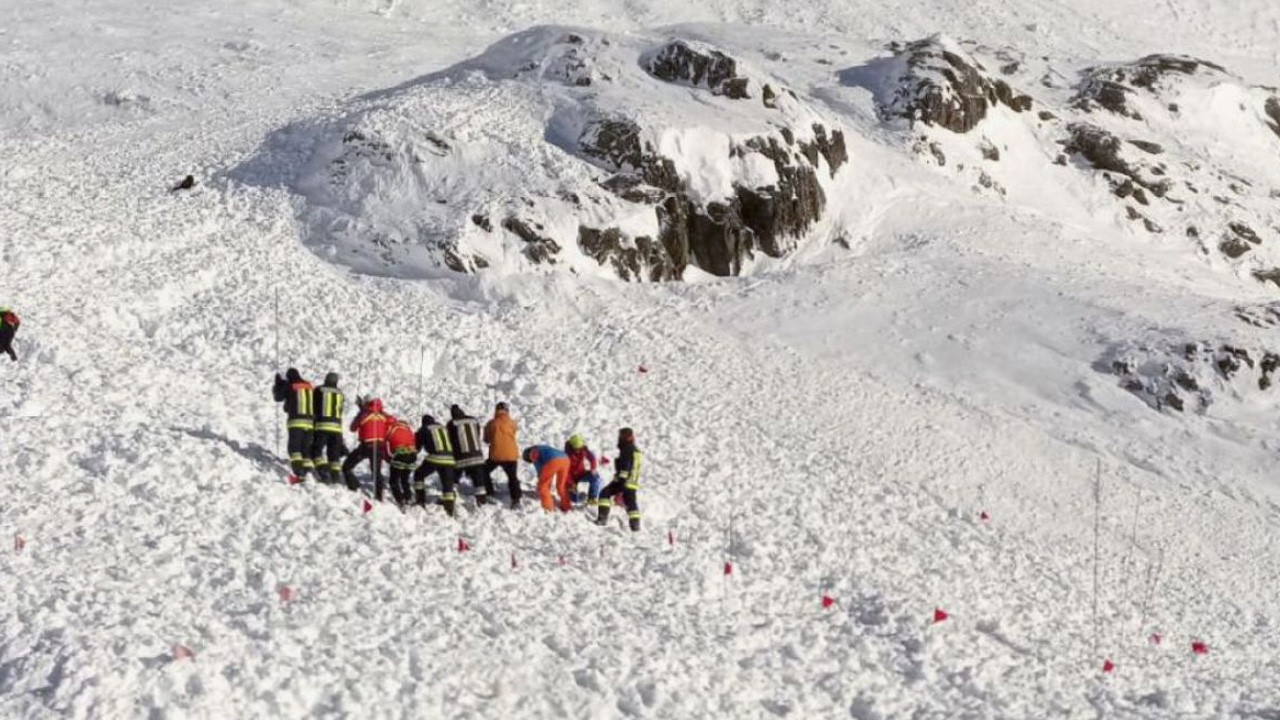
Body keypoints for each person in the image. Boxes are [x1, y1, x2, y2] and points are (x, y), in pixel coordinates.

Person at [595, 428, 643, 531]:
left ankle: (602, 519)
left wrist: (621, 480)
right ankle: (635, 526)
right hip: (633, 482)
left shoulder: (627, 449)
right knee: (631, 503)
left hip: (624, 480)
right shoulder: (636, 451)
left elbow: (626, 466)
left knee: (605, 493)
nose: (619, 438)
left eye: (620, 435)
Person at [272, 368, 315, 481]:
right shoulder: (309, 386)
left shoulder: (291, 385)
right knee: (305, 450)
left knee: (294, 449)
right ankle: (309, 473)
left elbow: (278, 397)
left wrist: (278, 384)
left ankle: (298, 473)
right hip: (310, 423)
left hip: (296, 422)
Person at [342, 397, 390, 497]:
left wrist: (360, 412)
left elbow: (352, 428)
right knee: (376, 473)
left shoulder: (363, 415)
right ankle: (379, 497)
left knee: (346, 467)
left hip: (366, 447)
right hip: (379, 447)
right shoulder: (383, 415)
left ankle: (354, 487)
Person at [448, 404, 494, 506]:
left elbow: (450, 439)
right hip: (477, 455)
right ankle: (481, 499)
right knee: (478, 477)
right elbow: (477, 433)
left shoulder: (452, 423)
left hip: (461, 456)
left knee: (454, 475)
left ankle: (452, 493)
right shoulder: (473, 420)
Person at [414, 414, 459, 516]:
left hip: (435, 457)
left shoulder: (424, 429)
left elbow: (417, 447)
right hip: (450, 458)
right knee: (447, 482)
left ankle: (420, 499)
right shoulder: (442, 428)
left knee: (419, 474)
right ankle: (449, 507)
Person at [310, 372, 347, 484]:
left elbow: (314, 407)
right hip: (336, 428)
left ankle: (323, 470)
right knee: (334, 454)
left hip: (322, 426)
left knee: (316, 451)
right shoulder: (340, 394)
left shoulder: (319, 390)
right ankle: (335, 477)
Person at [483, 402, 522, 508]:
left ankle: (489, 492)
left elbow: (486, 439)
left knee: (483, 471)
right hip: (511, 455)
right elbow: (513, 432)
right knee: (512, 477)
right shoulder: (512, 423)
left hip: (496, 455)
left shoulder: (491, 423)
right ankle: (516, 499)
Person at [522, 445, 572, 513]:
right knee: (561, 485)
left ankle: (548, 507)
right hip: (566, 459)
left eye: (530, 460)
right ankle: (567, 506)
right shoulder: (542, 447)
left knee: (542, 486)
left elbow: (540, 469)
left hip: (553, 461)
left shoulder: (532, 453)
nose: (531, 461)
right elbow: (547, 470)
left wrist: (540, 480)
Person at [385, 416, 418, 505]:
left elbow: (386, 440)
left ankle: (400, 500)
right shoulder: (408, 430)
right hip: (412, 455)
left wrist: (388, 457)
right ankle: (408, 497)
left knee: (394, 480)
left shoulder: (392, 428)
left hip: (400, 454)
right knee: (405, 478)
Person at [564, 434, 602, 506]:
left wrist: (593, 468)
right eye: (576, 449)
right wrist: (571, 484)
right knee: (575, 499)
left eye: (579, 448)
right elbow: (565, 472)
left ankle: (592, 498)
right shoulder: (566, 455)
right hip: (570, 478)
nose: (578, 451)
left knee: (596, 478)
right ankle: (577, 495)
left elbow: (592, 458)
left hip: (581, 474)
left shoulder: (583, 450)